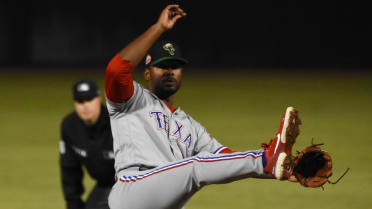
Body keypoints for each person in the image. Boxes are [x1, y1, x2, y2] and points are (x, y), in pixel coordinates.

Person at [105, 5, 301, 209]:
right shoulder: (130, 100)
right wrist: (159, 27)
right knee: (196, 166)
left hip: (165, 202)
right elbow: (116, 70)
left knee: (203, 164)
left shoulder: (191, 127)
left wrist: (285, 168)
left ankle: (270, 160)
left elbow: (227, 160)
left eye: (175, 66)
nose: (170, 71)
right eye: (162, 66)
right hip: (132, 191)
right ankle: (266, 158)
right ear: (147, 73)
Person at [59, 79, 115, 209]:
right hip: (104, 185)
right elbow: (69, 169)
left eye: (89, 100)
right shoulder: (70, 126)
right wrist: (73, 203)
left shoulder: (117, 123)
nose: (85, 106)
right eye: (80, 102)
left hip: (132, 186)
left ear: (98, 99)